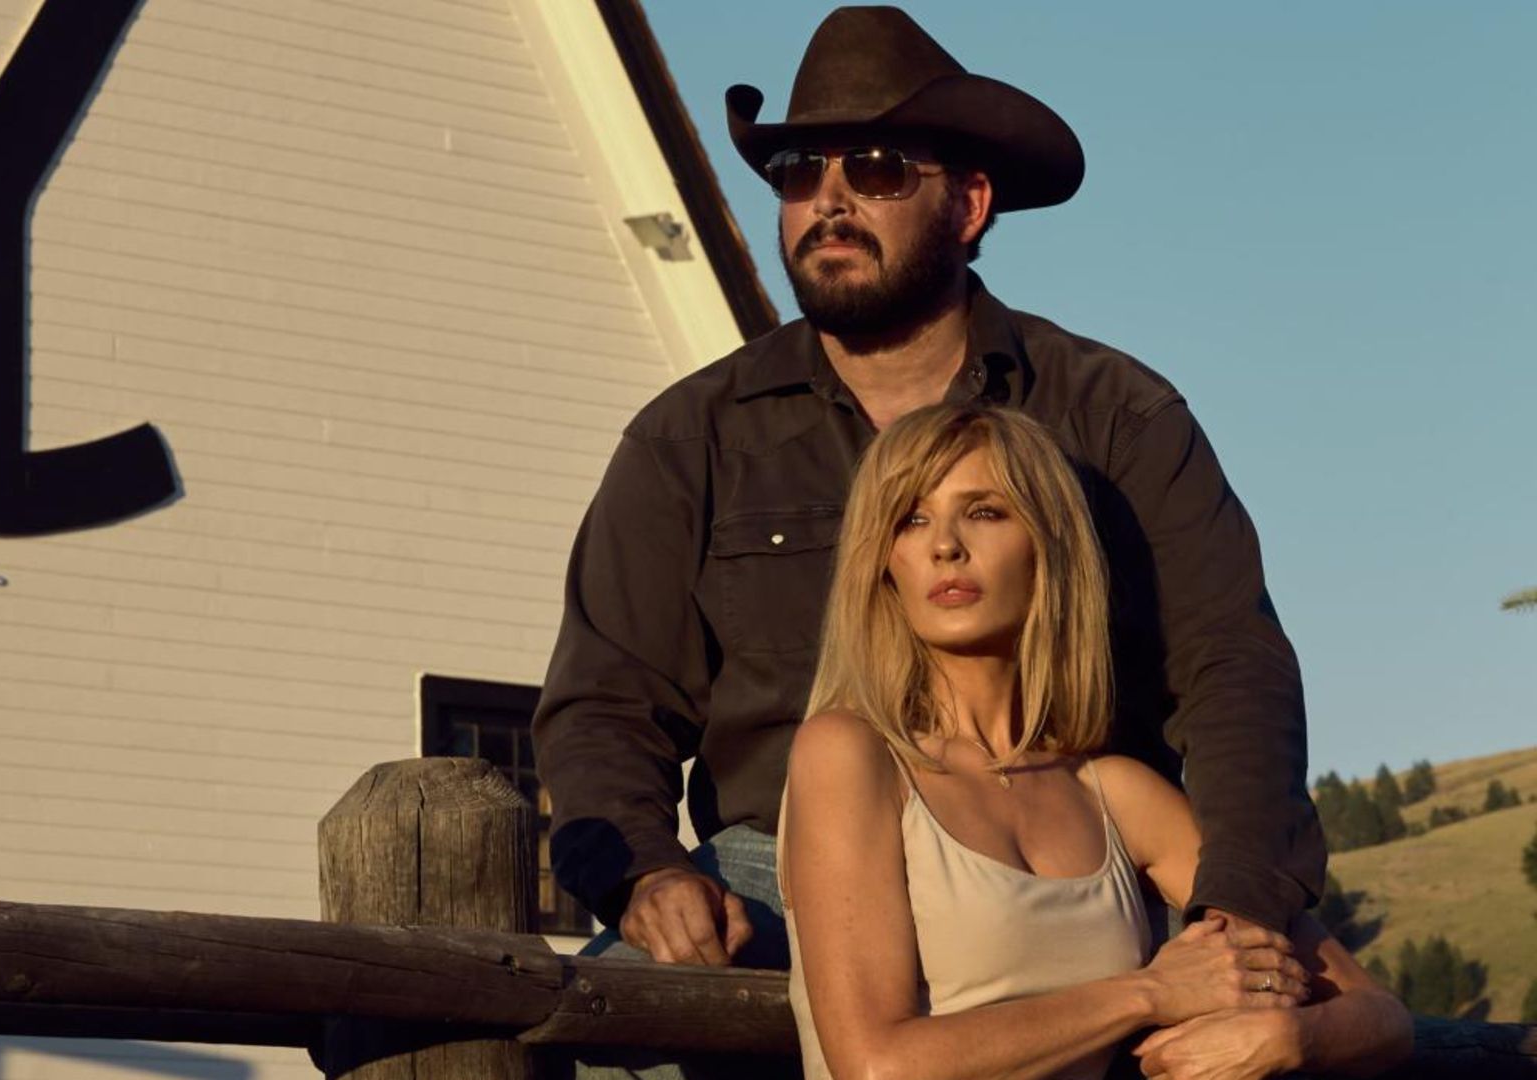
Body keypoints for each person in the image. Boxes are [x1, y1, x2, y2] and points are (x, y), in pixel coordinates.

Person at [533, 1, 1320, 1014]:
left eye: (876, 168)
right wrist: (645, 872)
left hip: (1061, 860)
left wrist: (1237, 903)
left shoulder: (1114, 416)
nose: (827, 201)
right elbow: (605, 699)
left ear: (971, 202)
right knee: (582, 1036)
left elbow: (1233, 669)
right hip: (781, 874)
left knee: (1313, 1022)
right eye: (798, 174)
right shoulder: (691, 439)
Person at [781, 403, 1410, 1080]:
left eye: (985, 511)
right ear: (884, 562)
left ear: (1046, 544)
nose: (945, 545)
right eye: (912, 519)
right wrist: (1149, 993)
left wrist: (1292, 1039)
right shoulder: (850, 753)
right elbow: (877, 1065)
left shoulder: (1113, 792)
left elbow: (1381, 1018)